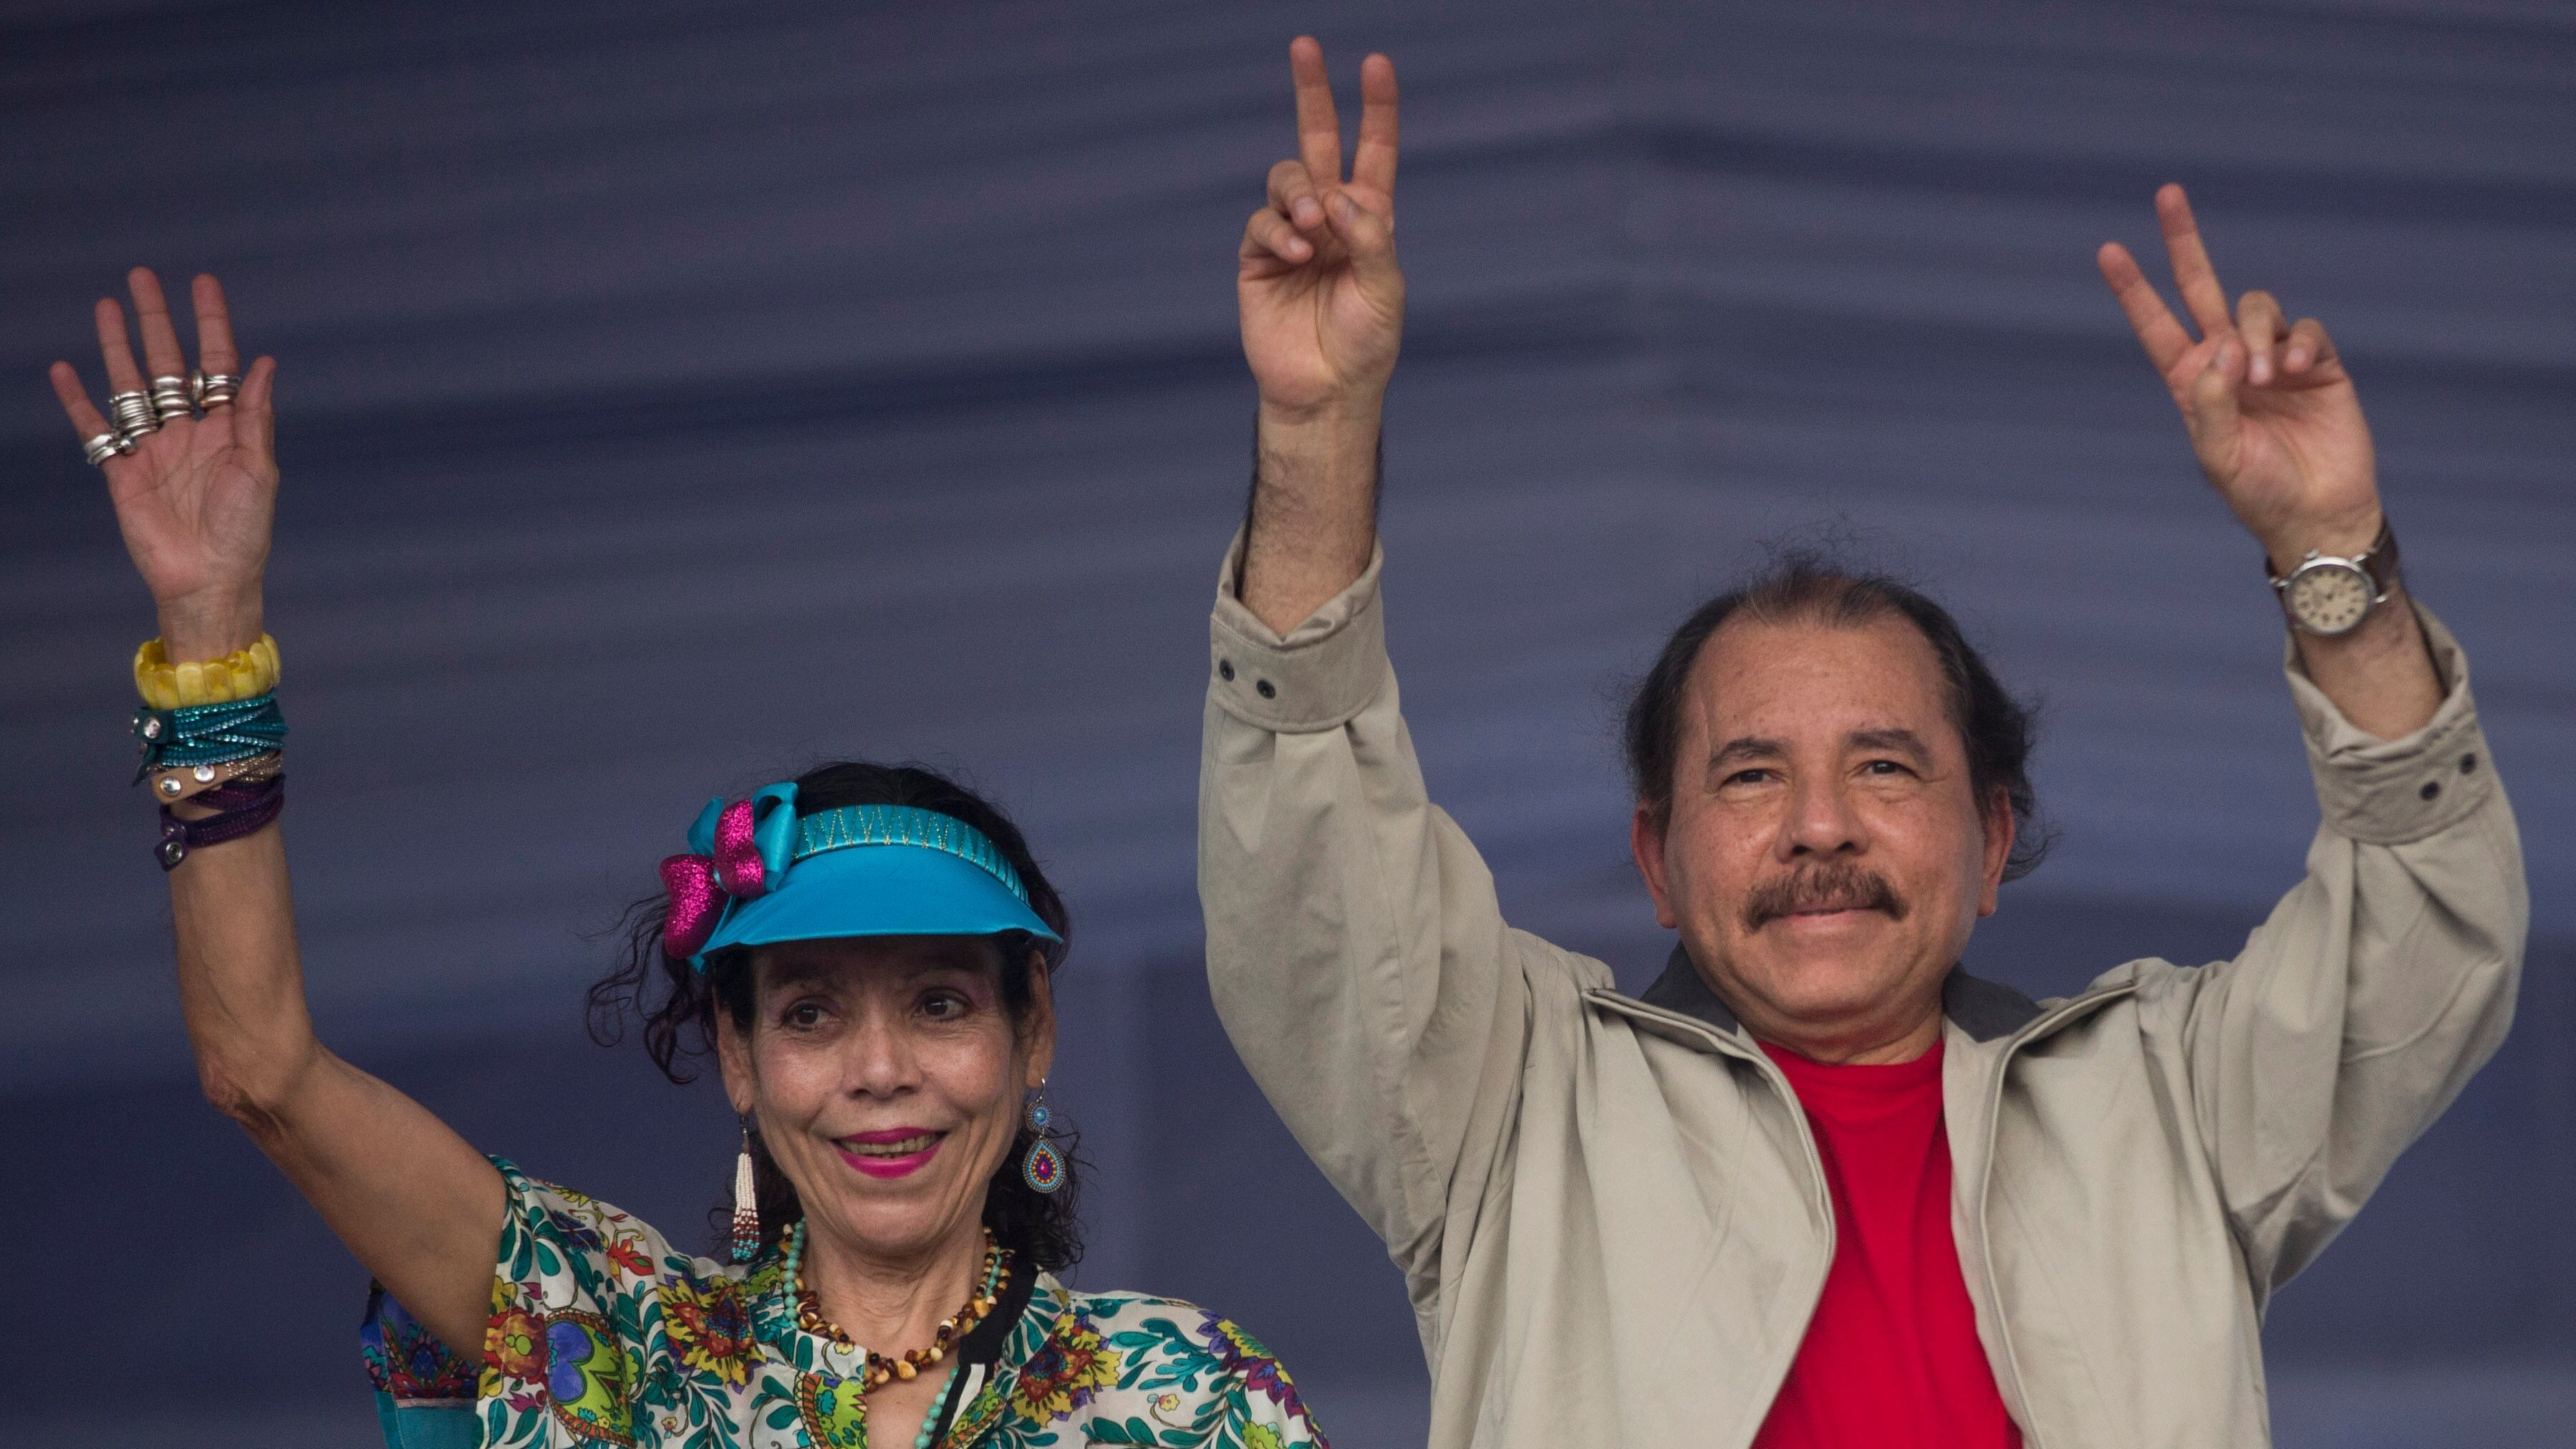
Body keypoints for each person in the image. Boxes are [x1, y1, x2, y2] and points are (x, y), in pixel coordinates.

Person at [1198, 37, 2524, 1449]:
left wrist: (2326, 551)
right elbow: (1310, 860)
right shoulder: (1513, 1100)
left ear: (1991, 838)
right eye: (1749, 773)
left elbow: (2426, 921)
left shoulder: (2168, 1096)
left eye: (1883, 766)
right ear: (1654, 856)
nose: (1817, 827)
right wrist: (1315, 432)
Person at [50, 272, 1328, 1449]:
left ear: (1030, 1030)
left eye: (939, 1004)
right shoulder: (614, 1339)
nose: (880, 1072)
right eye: (811, 1012)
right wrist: (209, 633)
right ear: (736, 1055)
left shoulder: (1186, 1393)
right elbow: (263, 1072)